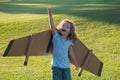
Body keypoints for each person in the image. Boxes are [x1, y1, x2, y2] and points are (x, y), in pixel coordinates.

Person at [48, 8, 79, 80]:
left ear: (70, 31)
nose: (64, 27)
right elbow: (52, 24)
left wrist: (76, 63)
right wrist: (50, 13)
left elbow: (71, 53)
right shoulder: (56, 36)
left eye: (67, 27)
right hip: (56, 66)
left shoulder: (69, 41)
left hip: (66, 67)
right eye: (63, 25)